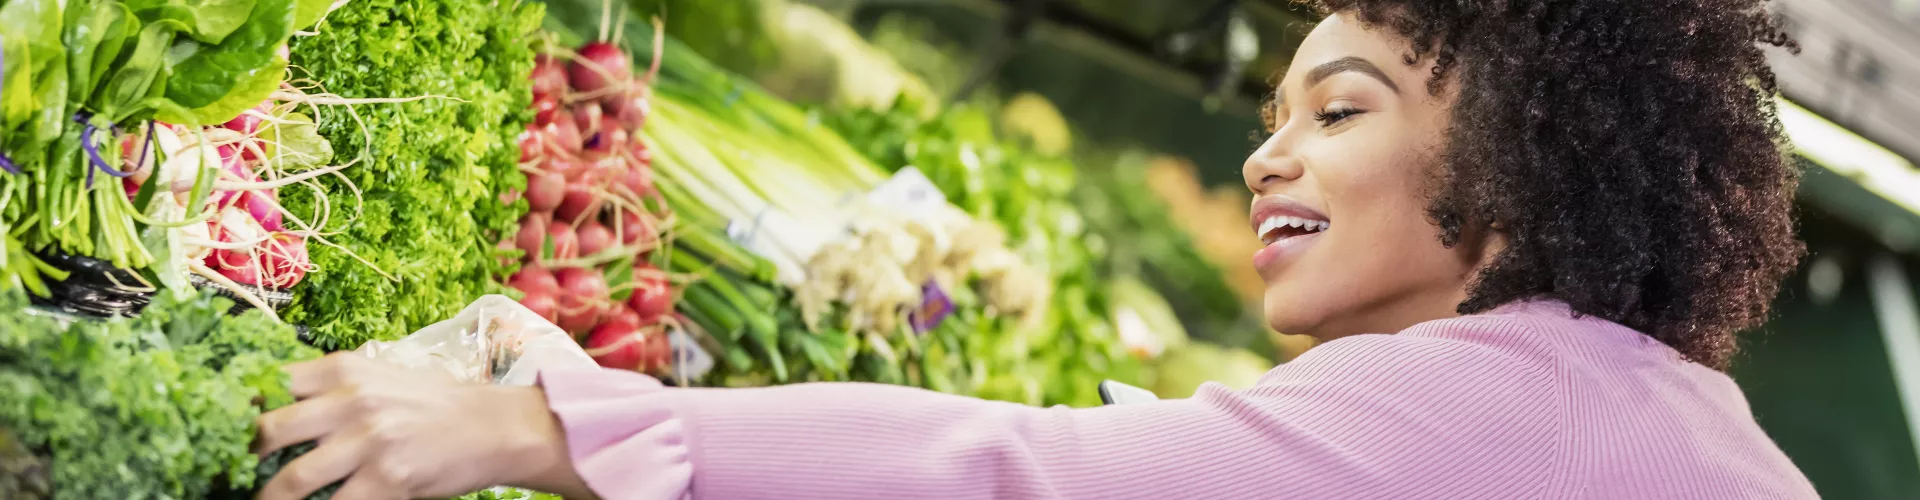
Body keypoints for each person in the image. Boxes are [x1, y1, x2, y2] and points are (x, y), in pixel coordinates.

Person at [252, 0, 1822, 498]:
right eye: (1274, 109)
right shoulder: (1659, 413)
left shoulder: (1510, 401)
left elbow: (1012, 465)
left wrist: (550, 426)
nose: (1267, 151)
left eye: (1339, 110)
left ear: (1522, 156)